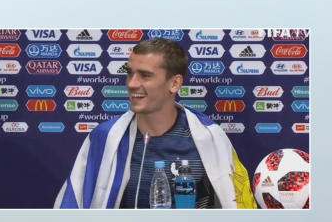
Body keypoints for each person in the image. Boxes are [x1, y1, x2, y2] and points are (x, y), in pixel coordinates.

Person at [54, 37, 256, 209]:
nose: (132, 84)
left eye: (145, 75)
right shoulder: (105, 137)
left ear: (174, 83)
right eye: (129, 73)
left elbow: (239, 209)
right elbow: (72, 209)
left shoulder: (210, 138)